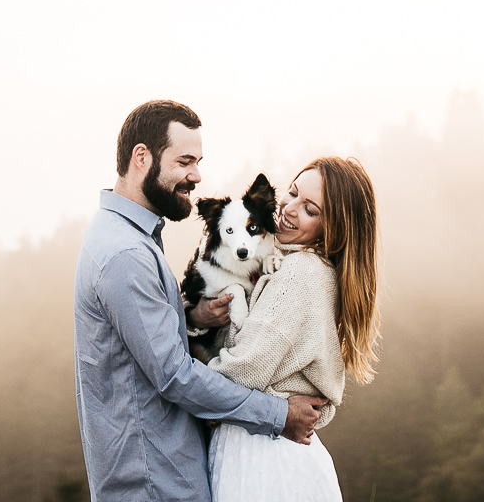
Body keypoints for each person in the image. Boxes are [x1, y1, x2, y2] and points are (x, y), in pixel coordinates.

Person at [75, 100, 329, 502]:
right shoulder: (126, 255)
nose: (196, 175)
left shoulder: (127, 238)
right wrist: (279, 415)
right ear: (142, 157)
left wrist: (193, 316)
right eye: (185, 161)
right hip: (155, 481)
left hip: (162, 472)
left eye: (198, 161)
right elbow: (174, 375)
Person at [204, 157, 381, 502]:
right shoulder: (297, 266)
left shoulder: (300, 273)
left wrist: (176, 375)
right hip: (275, 452)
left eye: (310, 209)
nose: (289, 209)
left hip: (264, 459)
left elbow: (241, 373)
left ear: (334, 229)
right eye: (293, 192)